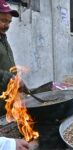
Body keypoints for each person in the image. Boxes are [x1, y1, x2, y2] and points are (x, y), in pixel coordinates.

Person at [0, 0, 29, 149]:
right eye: (3, 21)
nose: (7, 25)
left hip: (6, 99)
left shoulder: (2, 39)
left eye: (9, 22)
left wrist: (16, 81)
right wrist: (10, 79)